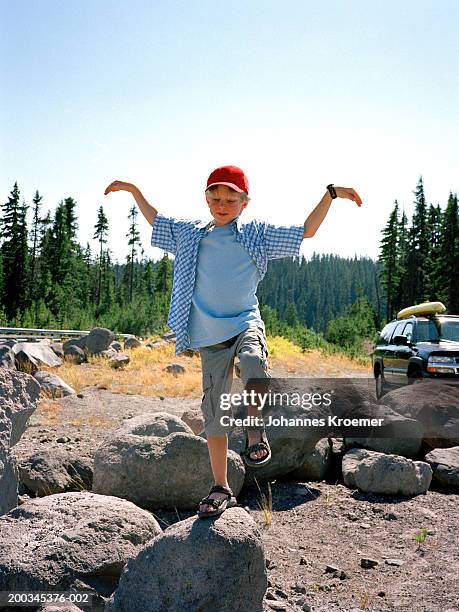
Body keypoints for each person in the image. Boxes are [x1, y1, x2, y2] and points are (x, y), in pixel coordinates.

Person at [104, 166, 363, 518]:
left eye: (230, 198)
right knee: (214, 414)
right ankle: (220, 487)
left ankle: (254, 427)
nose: (222, 203)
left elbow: (307, 231)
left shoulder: (256, 234)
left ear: (245, 202)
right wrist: (134, 190)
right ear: (206, 198)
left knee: (255, 363)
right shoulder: (190, 233)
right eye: (215, 196)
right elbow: (156, 220)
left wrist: (330, 195)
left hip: (244, 323)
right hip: (210, 337)